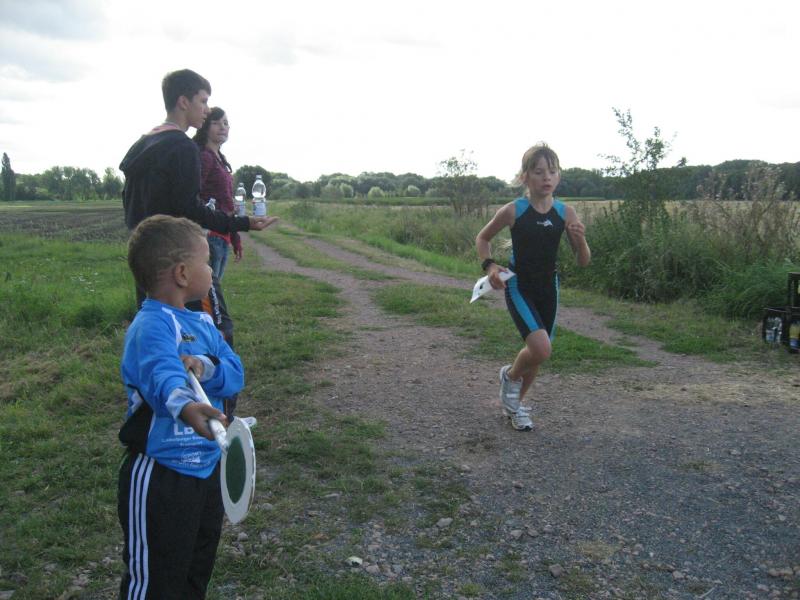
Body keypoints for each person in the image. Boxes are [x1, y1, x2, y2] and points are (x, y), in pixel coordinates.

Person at [118, 214, 244, 598]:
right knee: (156, 580)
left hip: (207, 471)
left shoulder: (204, 323)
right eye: (206, 262)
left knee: (195, 570)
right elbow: (163, 375)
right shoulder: (150, 326)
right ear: (182, 274)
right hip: (162, 477)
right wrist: (188, 408)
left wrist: (204, 366)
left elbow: (235, 372)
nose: (212, 270)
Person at [119, 68, 277, 307]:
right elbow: (190, 209)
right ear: (183, 102)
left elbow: (129, 202)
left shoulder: (141, 145)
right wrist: (243, 223)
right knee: (199, 323)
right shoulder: (183, 147)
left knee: (155, 320)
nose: (206, 109)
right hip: (178, 262)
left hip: (147, 258)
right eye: (203, 101)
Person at [476, 143, 591, 431]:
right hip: (520, 285)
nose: (546, 177)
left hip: (549, 287)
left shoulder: (565, 212)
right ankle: (510, 377)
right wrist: (490, 266)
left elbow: (583, 261)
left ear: (559, 176)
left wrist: (580, 240)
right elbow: (482, 238)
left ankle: (514, 407)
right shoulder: (514, 210)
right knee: (540, 349)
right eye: (538, 172)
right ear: (525, 176)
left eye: (552, 171)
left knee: (538, 353)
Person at [193, 107, 241, 280]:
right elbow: (194, 195)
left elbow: (227, 204)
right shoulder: (205, 157)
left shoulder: (219, 158)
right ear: (205, 127)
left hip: (222, 236)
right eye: (216, 123)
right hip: (210, 236)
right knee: (208, 291)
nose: (223, 127)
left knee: (213, 289)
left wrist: (234, 236)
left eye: (226, 123)